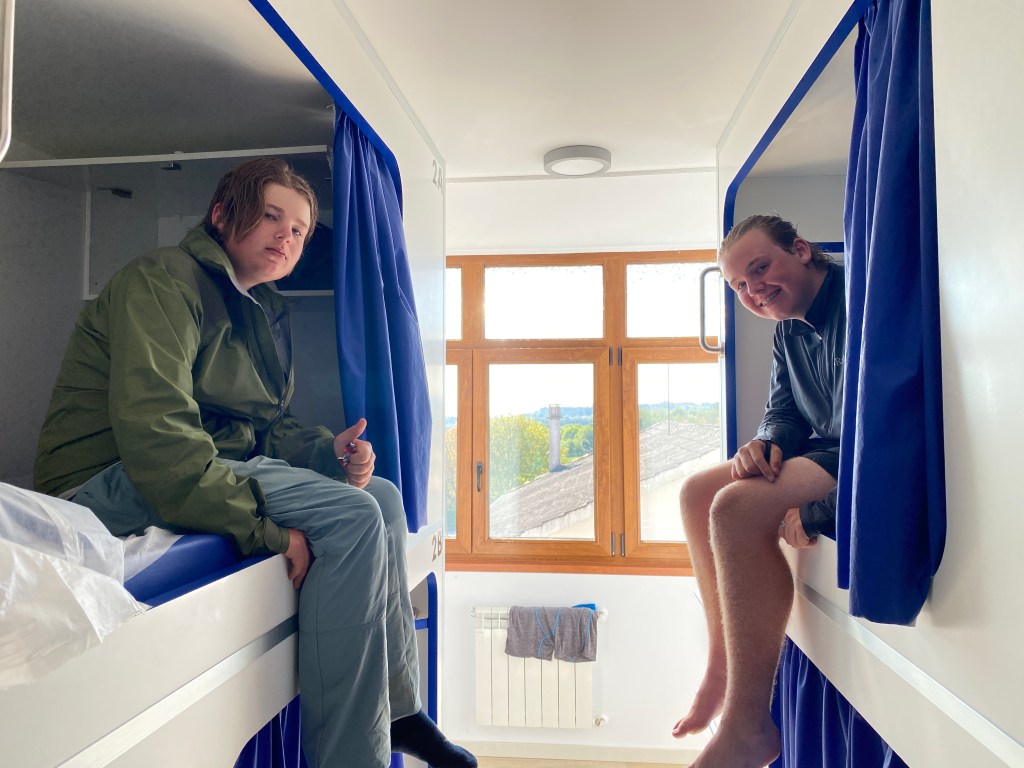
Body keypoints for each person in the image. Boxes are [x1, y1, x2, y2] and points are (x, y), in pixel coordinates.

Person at [34, 158, 476, 768]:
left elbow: (263, 429)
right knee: (352, 517)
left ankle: (398, 712)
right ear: (222, 214)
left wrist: (328, 453)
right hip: (105, 484)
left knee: (383, 497)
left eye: (298, 230)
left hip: (195, 462)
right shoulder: (162, 282)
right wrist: (264, 530)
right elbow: (160, 440)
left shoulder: (262, 307)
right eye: (271, 217)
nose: (285, 237)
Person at [670, 214, 845, 767]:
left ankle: (747, 729)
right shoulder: (789, 329)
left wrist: (820, 512)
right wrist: (766, 441)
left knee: (735, 509)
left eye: (761, 268)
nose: (754, 290)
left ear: (801, 249)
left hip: (857, 454)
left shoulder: (857, 301)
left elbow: (885, 425)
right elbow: (783, 410)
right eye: (740, 285)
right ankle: (721, 667)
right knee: (696, 493)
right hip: (824, 448)